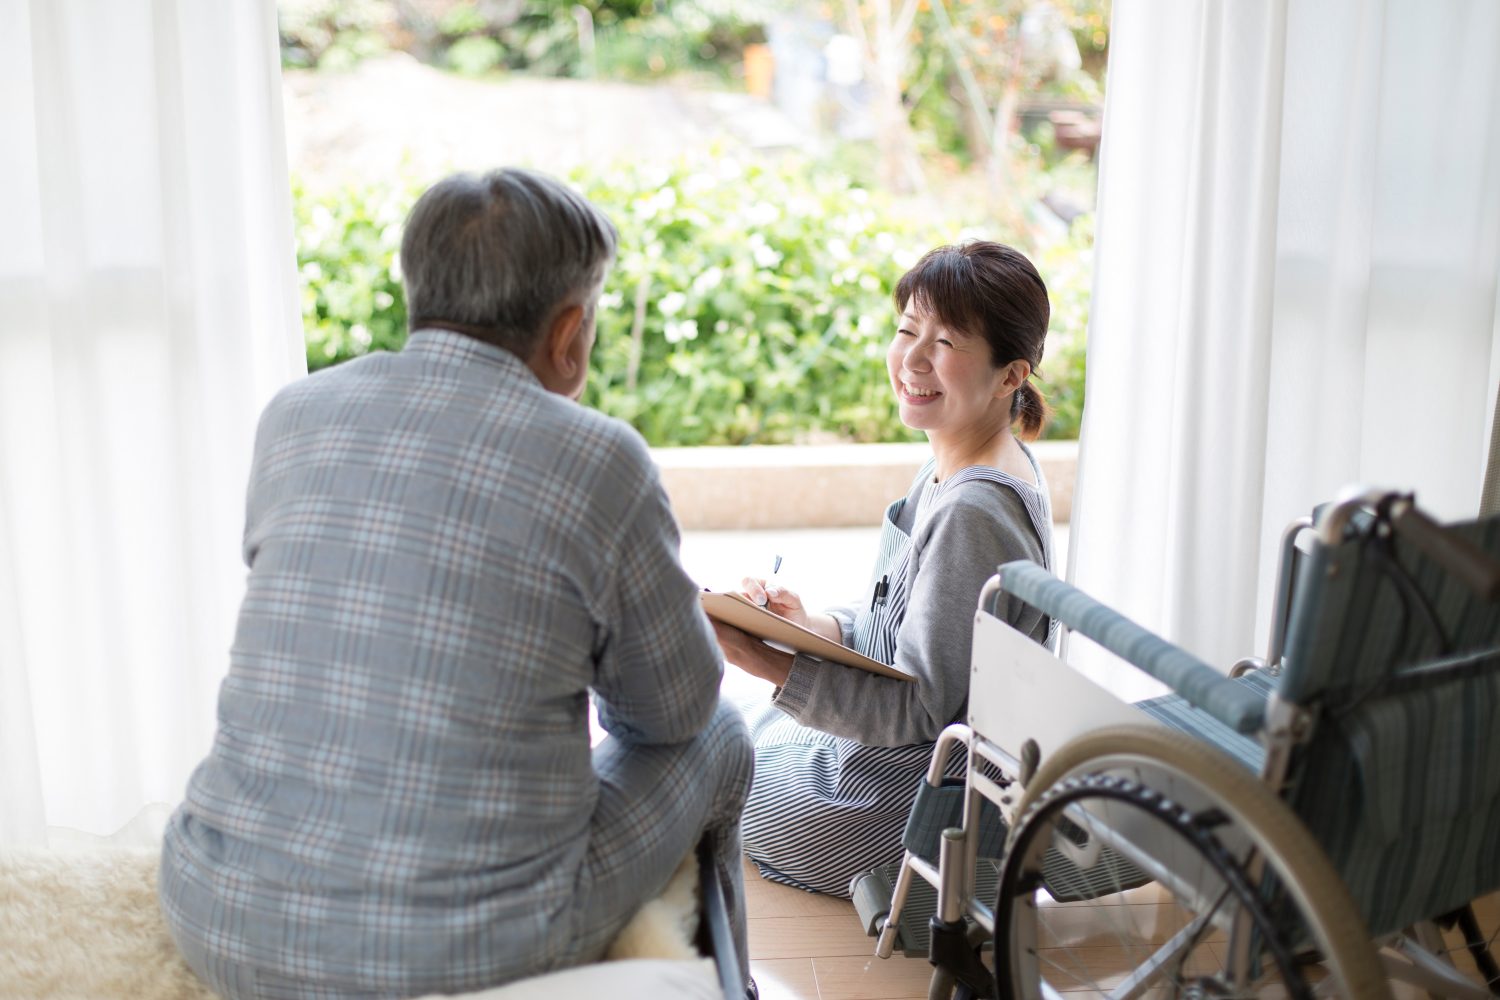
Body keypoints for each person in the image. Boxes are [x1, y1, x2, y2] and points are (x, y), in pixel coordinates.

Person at [158, 168, 754, 999]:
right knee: (722, 731)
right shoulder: (599, 460)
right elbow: (670, 715)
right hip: (457, 952)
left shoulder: (294, 415)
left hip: (217, 912)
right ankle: (728, 985)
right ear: (570, 330)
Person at [713, 241, 1054, 896]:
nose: (913, 359)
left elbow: (920, 709)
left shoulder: (973, 512)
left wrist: (771, 663)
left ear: (1012, 374)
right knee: (722, 728)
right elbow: (902, 634)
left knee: (708, 757)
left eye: (946, 341)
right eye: (906, 331)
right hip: (901, 768)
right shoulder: (962, 459)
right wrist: (808, 624)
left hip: (906, 809)